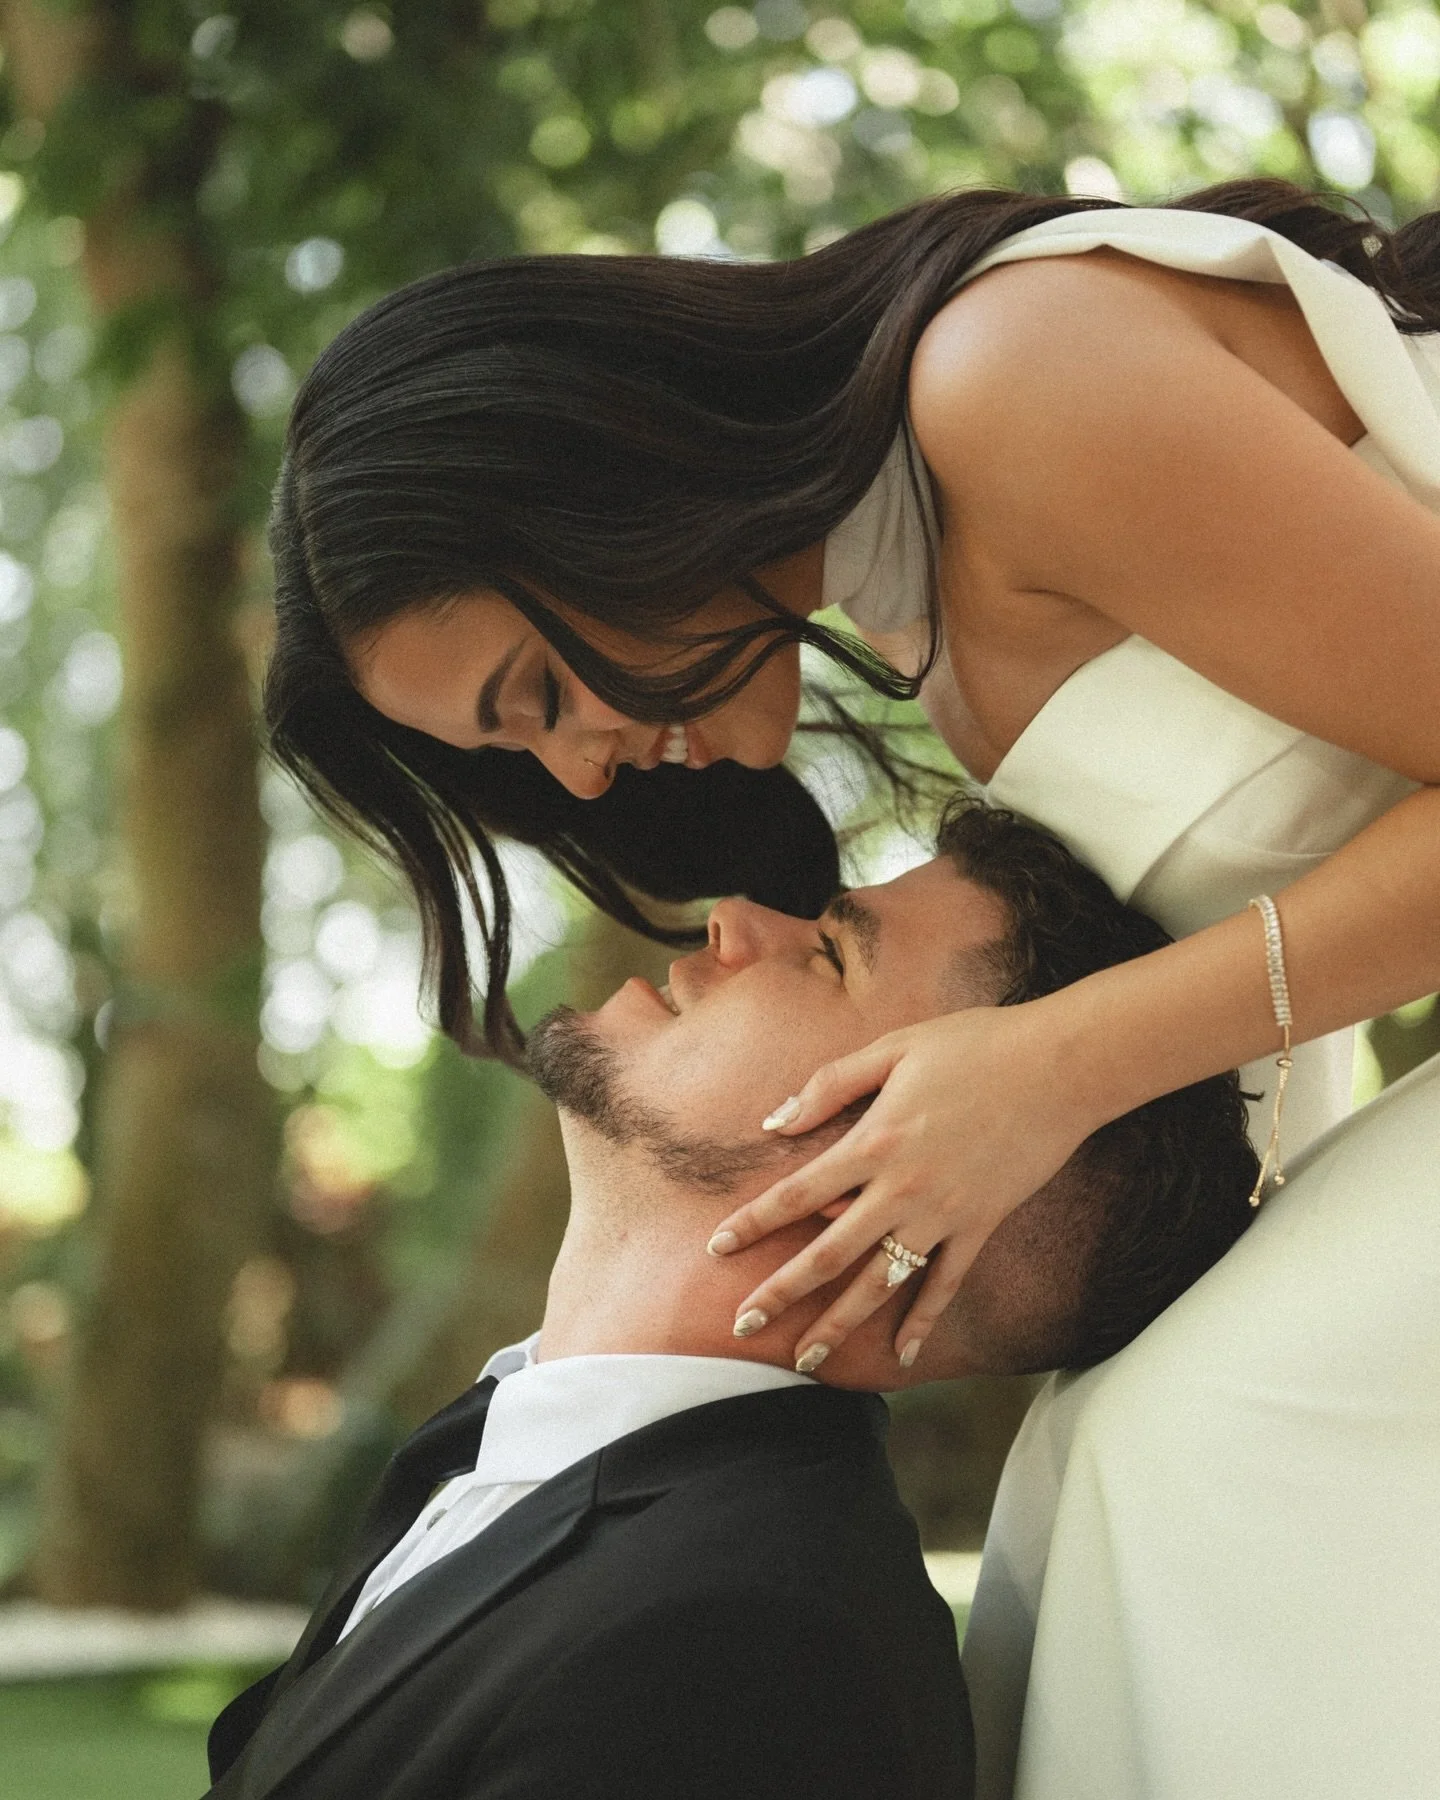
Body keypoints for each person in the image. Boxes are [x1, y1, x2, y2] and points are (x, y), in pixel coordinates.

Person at [263, 176, 1440, 1786]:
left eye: (537, 693)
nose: (583, 773)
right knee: (1088, 1478)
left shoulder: (1007, 375)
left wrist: (1061, 1067)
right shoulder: (934, 631)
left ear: (603, 480)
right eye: (520, 751)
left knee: (1182, 1446)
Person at [203, 802, 1259, 1800]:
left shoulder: (751, 1657)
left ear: (928, 1183)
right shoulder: (506, 1449)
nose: (735, 918)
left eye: (832, 955)